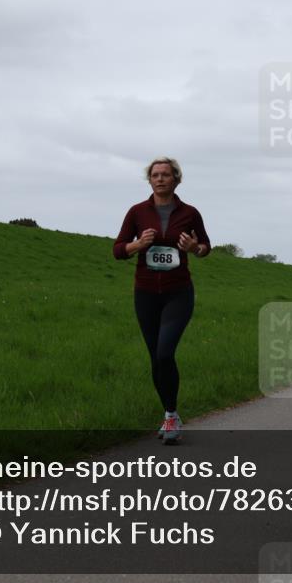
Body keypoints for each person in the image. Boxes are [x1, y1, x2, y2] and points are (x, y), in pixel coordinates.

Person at [113, 157, 210, 445]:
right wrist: (137, 245)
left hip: (178, 293)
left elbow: (206, 247)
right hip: (145, 294)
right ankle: (170, 412)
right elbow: (118, 250)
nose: (160, 179)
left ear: (176, 179)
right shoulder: (137, 212)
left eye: (166, 174)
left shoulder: (190, 213)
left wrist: (195, 248)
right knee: (156, 356)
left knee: (165, 353)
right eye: (155, 175)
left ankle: (170, 415)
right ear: (150, 180)